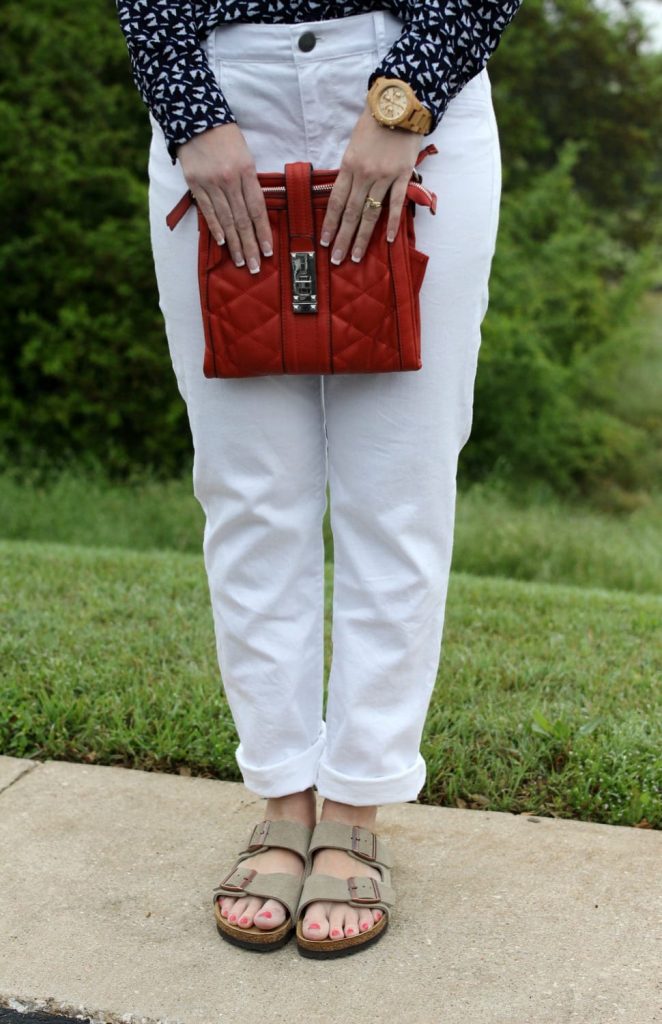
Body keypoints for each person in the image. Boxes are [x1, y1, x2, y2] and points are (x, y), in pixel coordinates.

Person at [115, 0, 523, 958]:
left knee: (400, 486)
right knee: (250, 492)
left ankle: (357, 808)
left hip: (409, 90)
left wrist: (402, 104)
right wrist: (189, 111)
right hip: (217, 100)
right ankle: (283, 800)